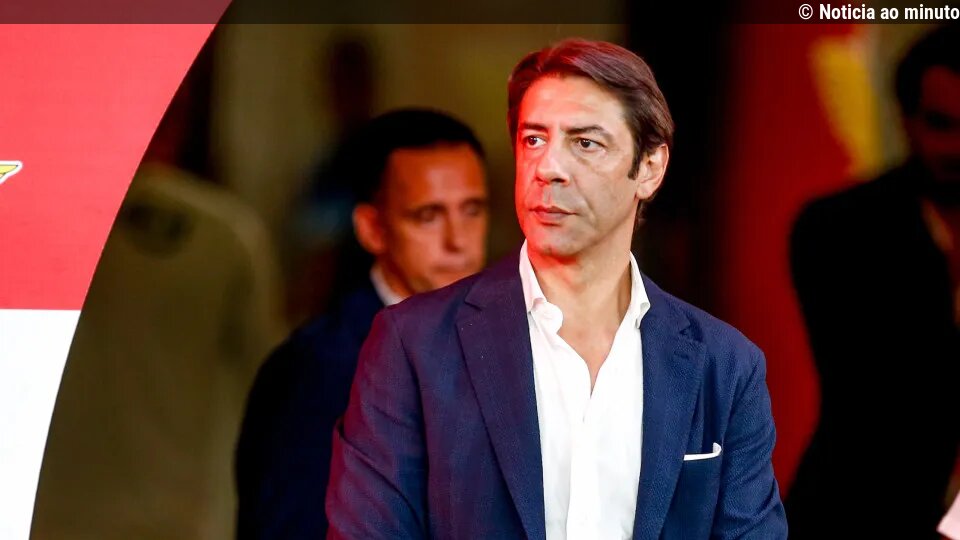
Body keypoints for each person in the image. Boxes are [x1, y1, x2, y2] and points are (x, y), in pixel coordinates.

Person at [326, 38, 787, 539]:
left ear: (650, 168)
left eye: (585, 143)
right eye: (533, 140)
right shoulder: (413, 346)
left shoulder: (724, 366)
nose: (548, 168)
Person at [234, 108, 490, 539]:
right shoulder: (318, 370)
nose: (457, 241)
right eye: (428, 216)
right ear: (372, 228)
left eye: (472, 210)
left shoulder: (503, 345)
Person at [786, 23, 960, 539]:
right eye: (941, 124)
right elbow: (875, 392)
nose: (958, 147)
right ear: (906, 119)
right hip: (863, 512)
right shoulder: (840, 228)